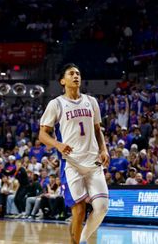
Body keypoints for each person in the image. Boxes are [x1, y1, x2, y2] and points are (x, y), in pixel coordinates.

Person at [39, 64, 109, 244]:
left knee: (101, 207)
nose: (76, 76)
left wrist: (104, 149)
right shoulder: (56, 104)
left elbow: (97, 129)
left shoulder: (91, 101)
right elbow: (42, 134)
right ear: (63, 81)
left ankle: (83, 239)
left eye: (78, 73)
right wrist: (58, 144)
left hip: (93, 162)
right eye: (71, 74)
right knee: (78, 211)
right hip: (72, 164)